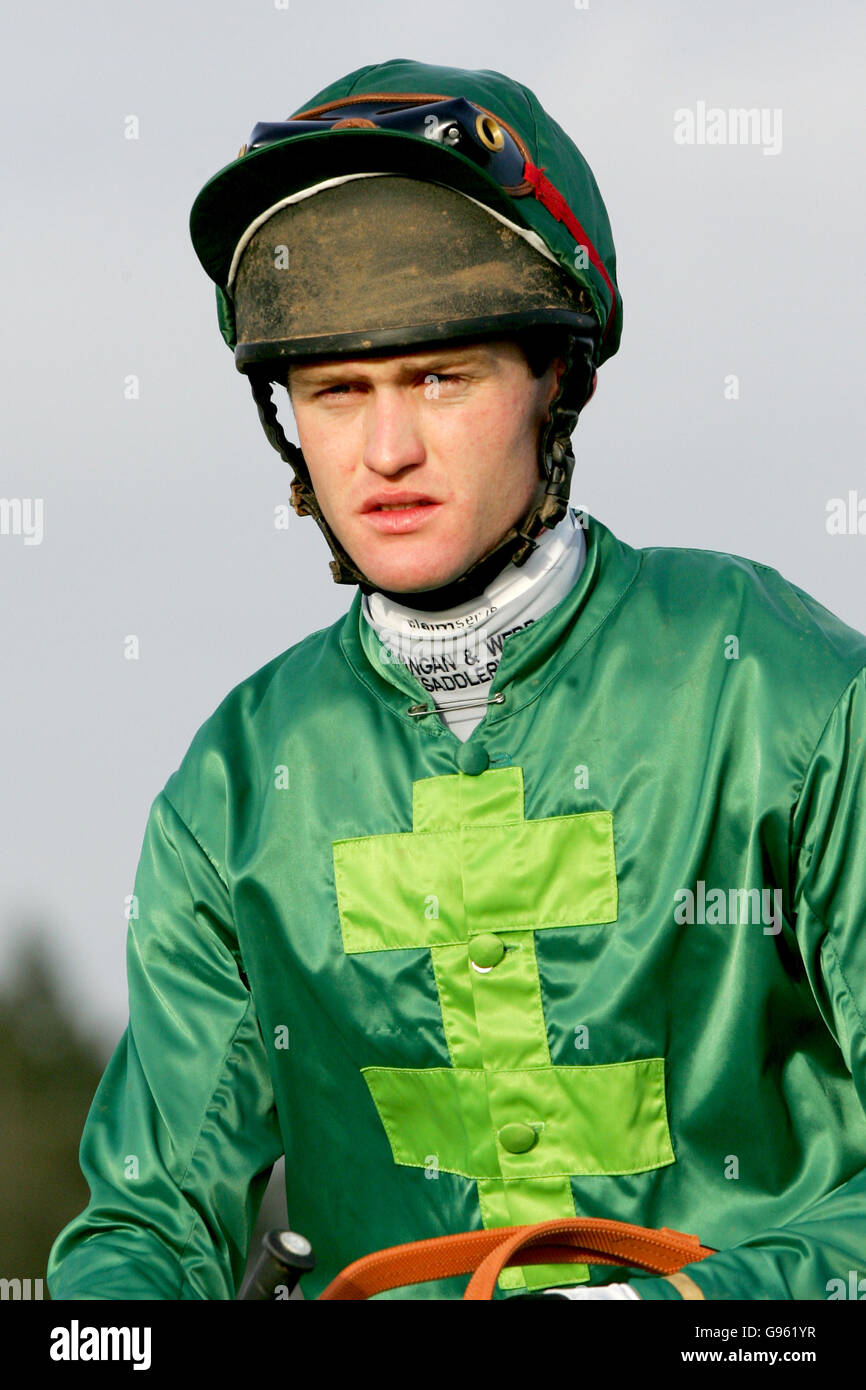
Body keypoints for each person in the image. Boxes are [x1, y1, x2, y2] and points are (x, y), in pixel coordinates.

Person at [47, 58, 866, 1303]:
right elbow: (146, 1222)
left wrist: (687, 1306)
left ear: (555, 377)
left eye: (439, 377)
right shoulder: (230, 793)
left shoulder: (788, 692)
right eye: (335, 392)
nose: (384, 450)